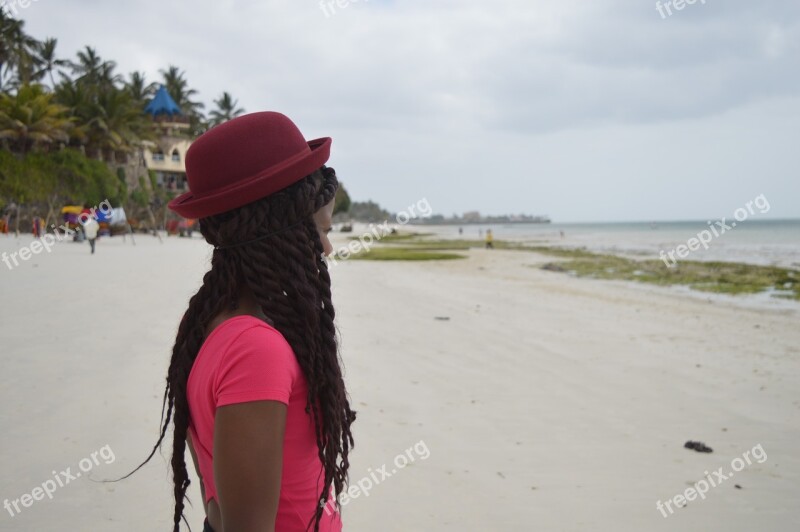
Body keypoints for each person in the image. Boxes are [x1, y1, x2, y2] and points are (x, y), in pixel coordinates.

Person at [127, 112, 355, 532]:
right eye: (319, 230)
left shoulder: (206, 320)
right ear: (278, 234)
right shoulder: (256, 349)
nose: (326, 248)